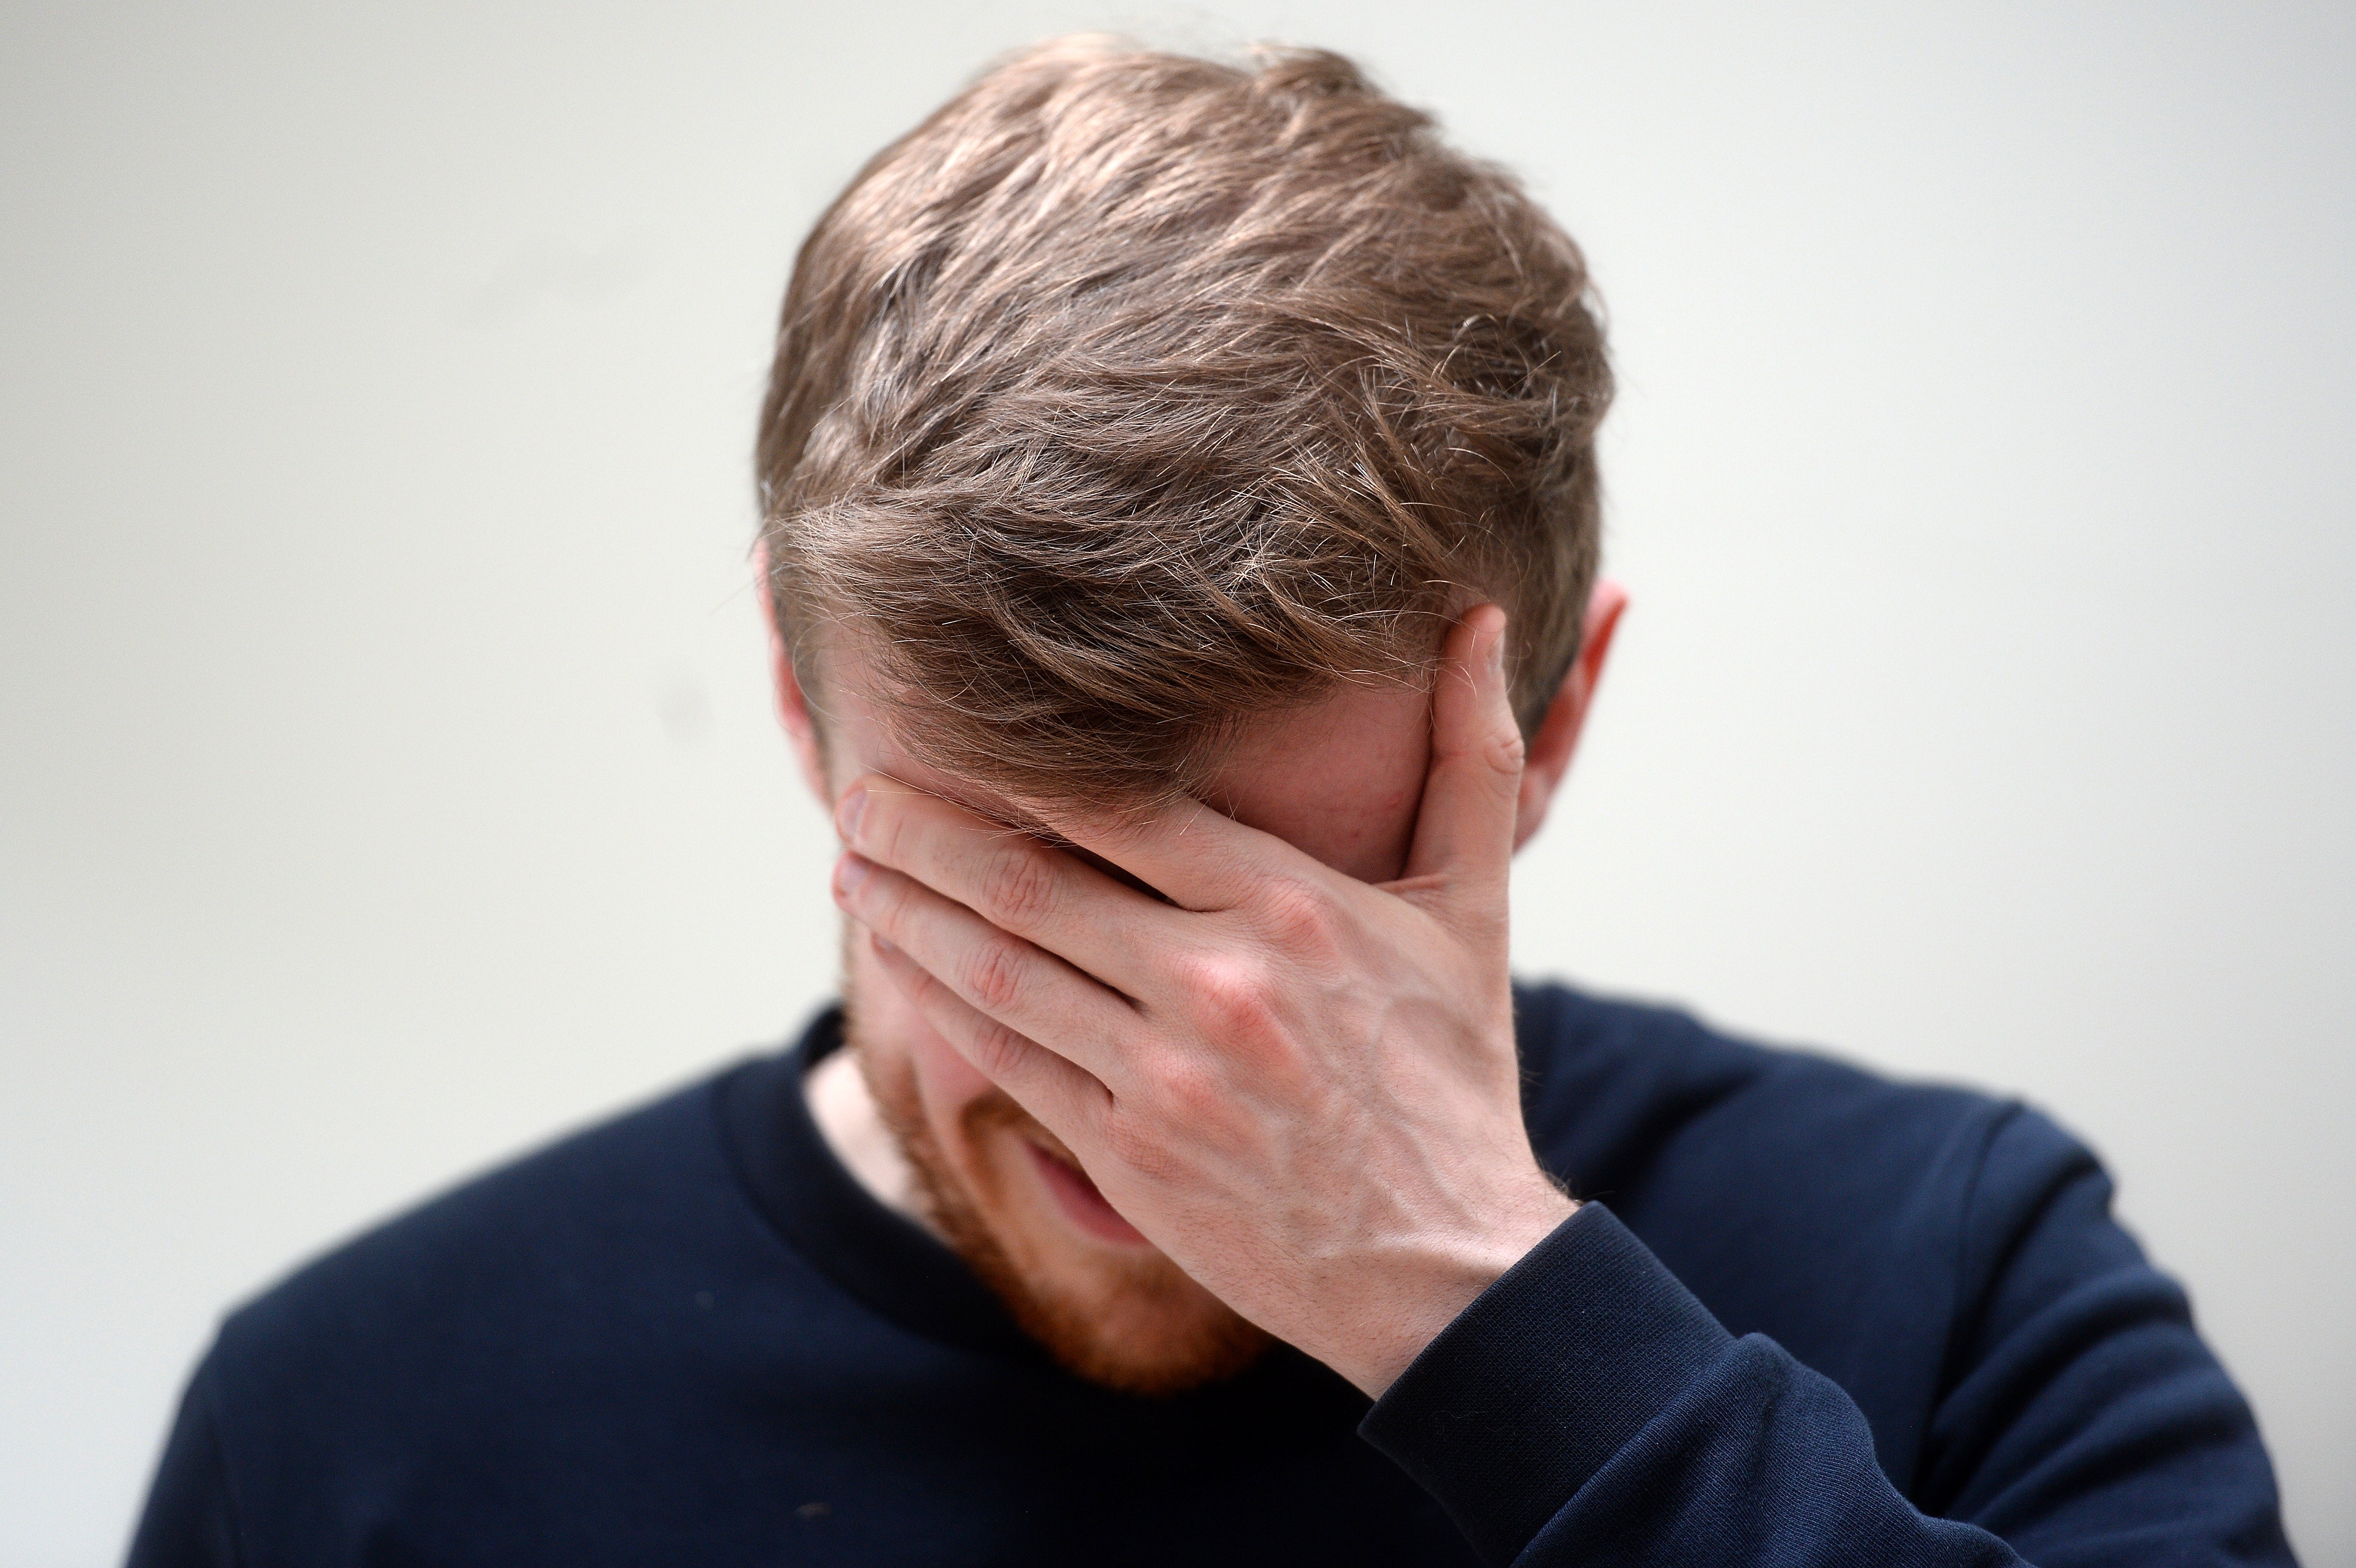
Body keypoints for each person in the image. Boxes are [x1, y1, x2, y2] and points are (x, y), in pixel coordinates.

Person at [128, 38, 2295, 1568]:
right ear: (799, 705)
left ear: (1547, 729)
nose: (1172, 1082)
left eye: (1290, 919)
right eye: (1020, 896)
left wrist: (1490, 1314)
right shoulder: (347, 1436)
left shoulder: (1953, 1273)